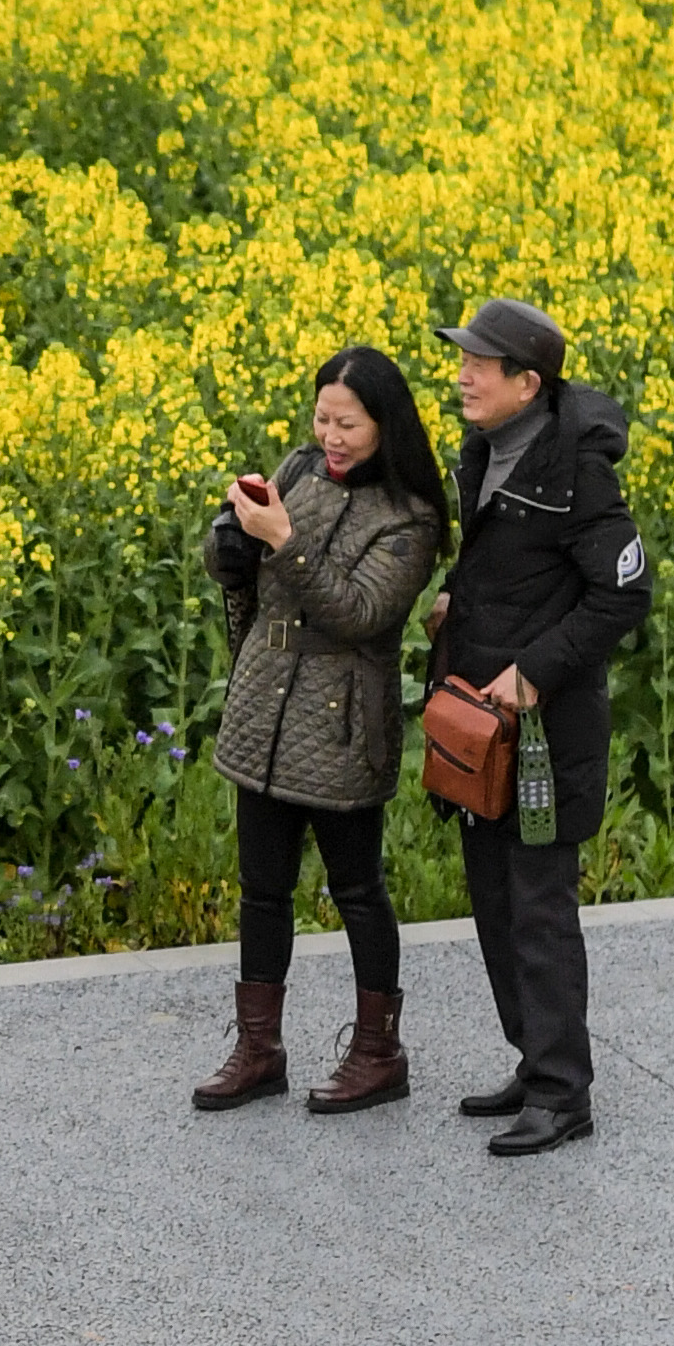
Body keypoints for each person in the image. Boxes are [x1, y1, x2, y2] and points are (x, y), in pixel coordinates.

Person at [193, 347, 448, 1114]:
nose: (330, 436)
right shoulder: (300, 469)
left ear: (385, 424)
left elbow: (362, 614)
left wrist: (282, 539)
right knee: (261, 892)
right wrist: (232, 537)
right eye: (322, 418)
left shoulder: (410, 518)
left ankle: (378, 1053)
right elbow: (243, 571)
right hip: (264, 713)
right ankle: (258, 1049)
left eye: (349, 423)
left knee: (358, 890)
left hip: (342, 725)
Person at [428, 297, 652, 1155]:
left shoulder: (577, 471)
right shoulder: (484, 450)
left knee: (540, 906)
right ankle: (535, 1058)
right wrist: (458, 599)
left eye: (480, 364)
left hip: (545, 736)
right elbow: (512, 563)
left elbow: (623, 594)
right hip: (480, 726)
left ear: (529, 381)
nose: (463, 376)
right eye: (462, 360)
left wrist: (536, 671)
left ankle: (564, 1095)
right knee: (492, 897)